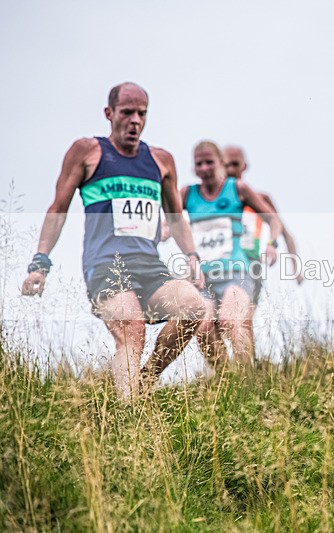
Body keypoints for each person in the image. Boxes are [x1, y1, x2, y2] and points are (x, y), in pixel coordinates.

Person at [21, 82, 207, 399]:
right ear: (109, 114)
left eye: (141, 114)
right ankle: (128, 416)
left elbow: (175, 217)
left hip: (149, 266)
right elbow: (58, 209)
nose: (134, 120)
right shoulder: (87, 152)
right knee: (131, 329)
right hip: (105, 265)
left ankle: (147, 378)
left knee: (193, 306)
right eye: (127, 113)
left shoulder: (161, 161)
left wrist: (192, 257)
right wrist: (40, 263)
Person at [184, 141, 284, 367]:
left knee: (233, 320)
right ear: (193, 168)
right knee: (204, 326)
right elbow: (169, 216)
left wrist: (271, 244)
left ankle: (247, 377)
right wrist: (166, 227)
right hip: (204, 277)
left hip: (239, 269)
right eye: (199, 163)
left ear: (220, 164)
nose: (205, 168)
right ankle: (225, 381)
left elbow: (274, 220)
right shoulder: (188, 194)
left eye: (210, 162)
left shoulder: (238, 190)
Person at [222, 145, 304, 300]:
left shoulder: (259, 199)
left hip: (251, 263)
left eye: (235, 164)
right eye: (226, 165)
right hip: (219, 262)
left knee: (244, 316)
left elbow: (285, 234)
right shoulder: (211, 200)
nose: (230, 170)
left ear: (244, 166)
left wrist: (295, 269)